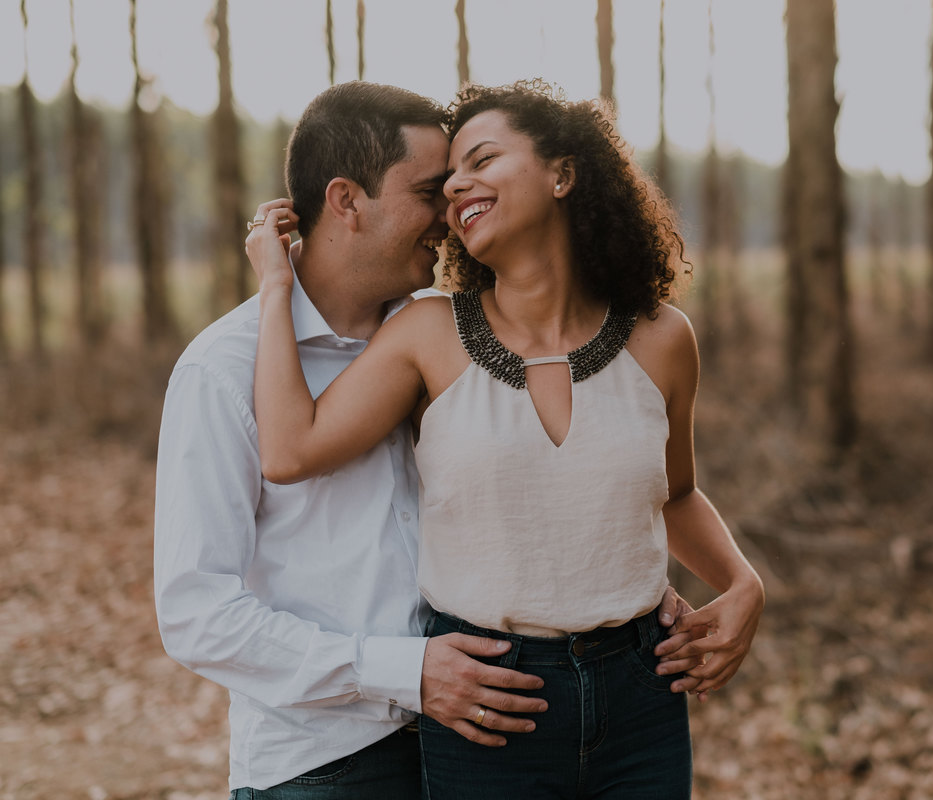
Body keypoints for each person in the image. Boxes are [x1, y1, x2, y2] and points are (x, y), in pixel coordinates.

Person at [154, 81, 703, 799]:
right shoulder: (224, 371)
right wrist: (405, 672)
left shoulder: (444, 334)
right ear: (347, 201)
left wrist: (621, 595)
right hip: (332, 760)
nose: (449, 214)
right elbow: (197, 615)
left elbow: (571, 482)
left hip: (489, 725)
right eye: (430, 190)